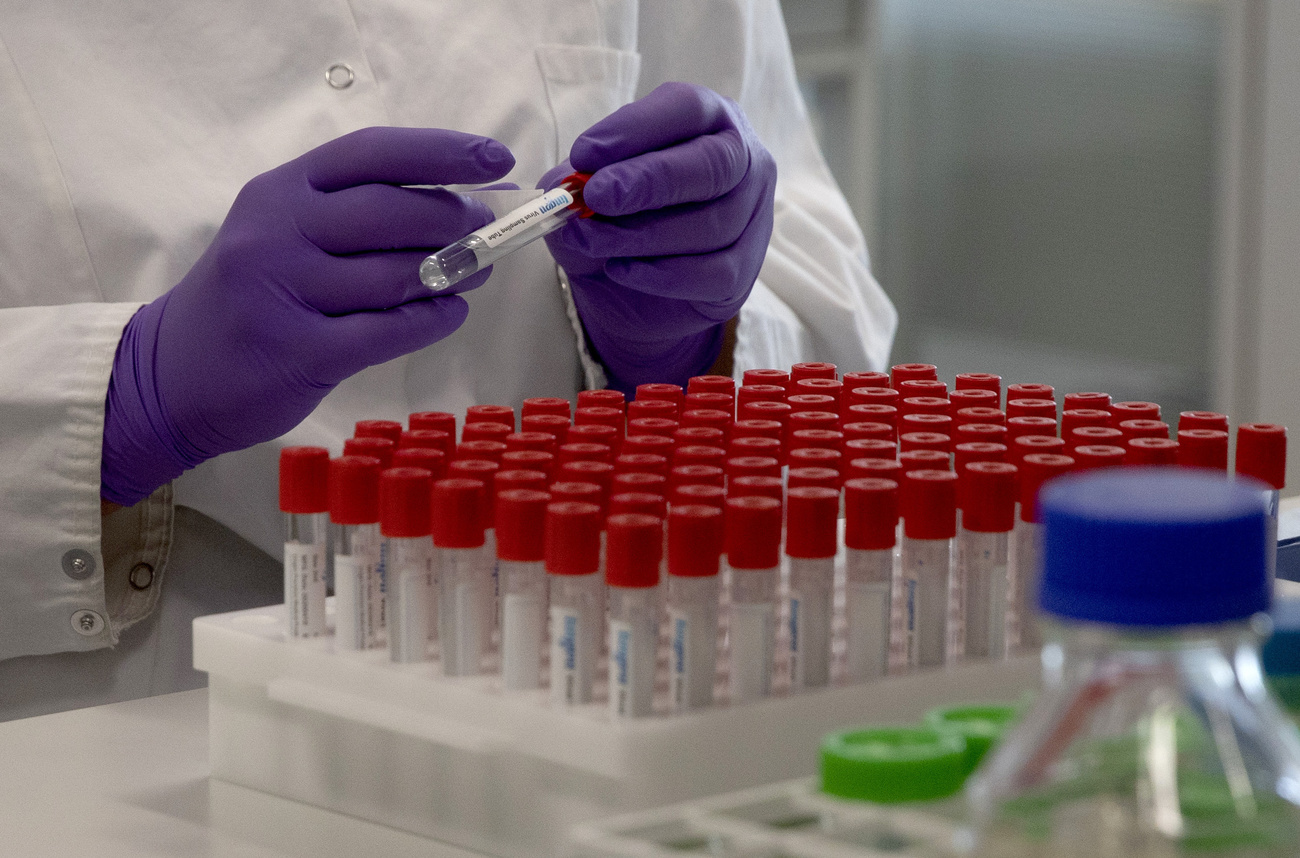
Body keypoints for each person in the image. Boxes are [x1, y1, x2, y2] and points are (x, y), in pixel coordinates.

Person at [0, 0, 896, 720]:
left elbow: (827, 290)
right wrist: (115, 405)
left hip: (596, 700)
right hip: (125, 749)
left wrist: (692, 350)